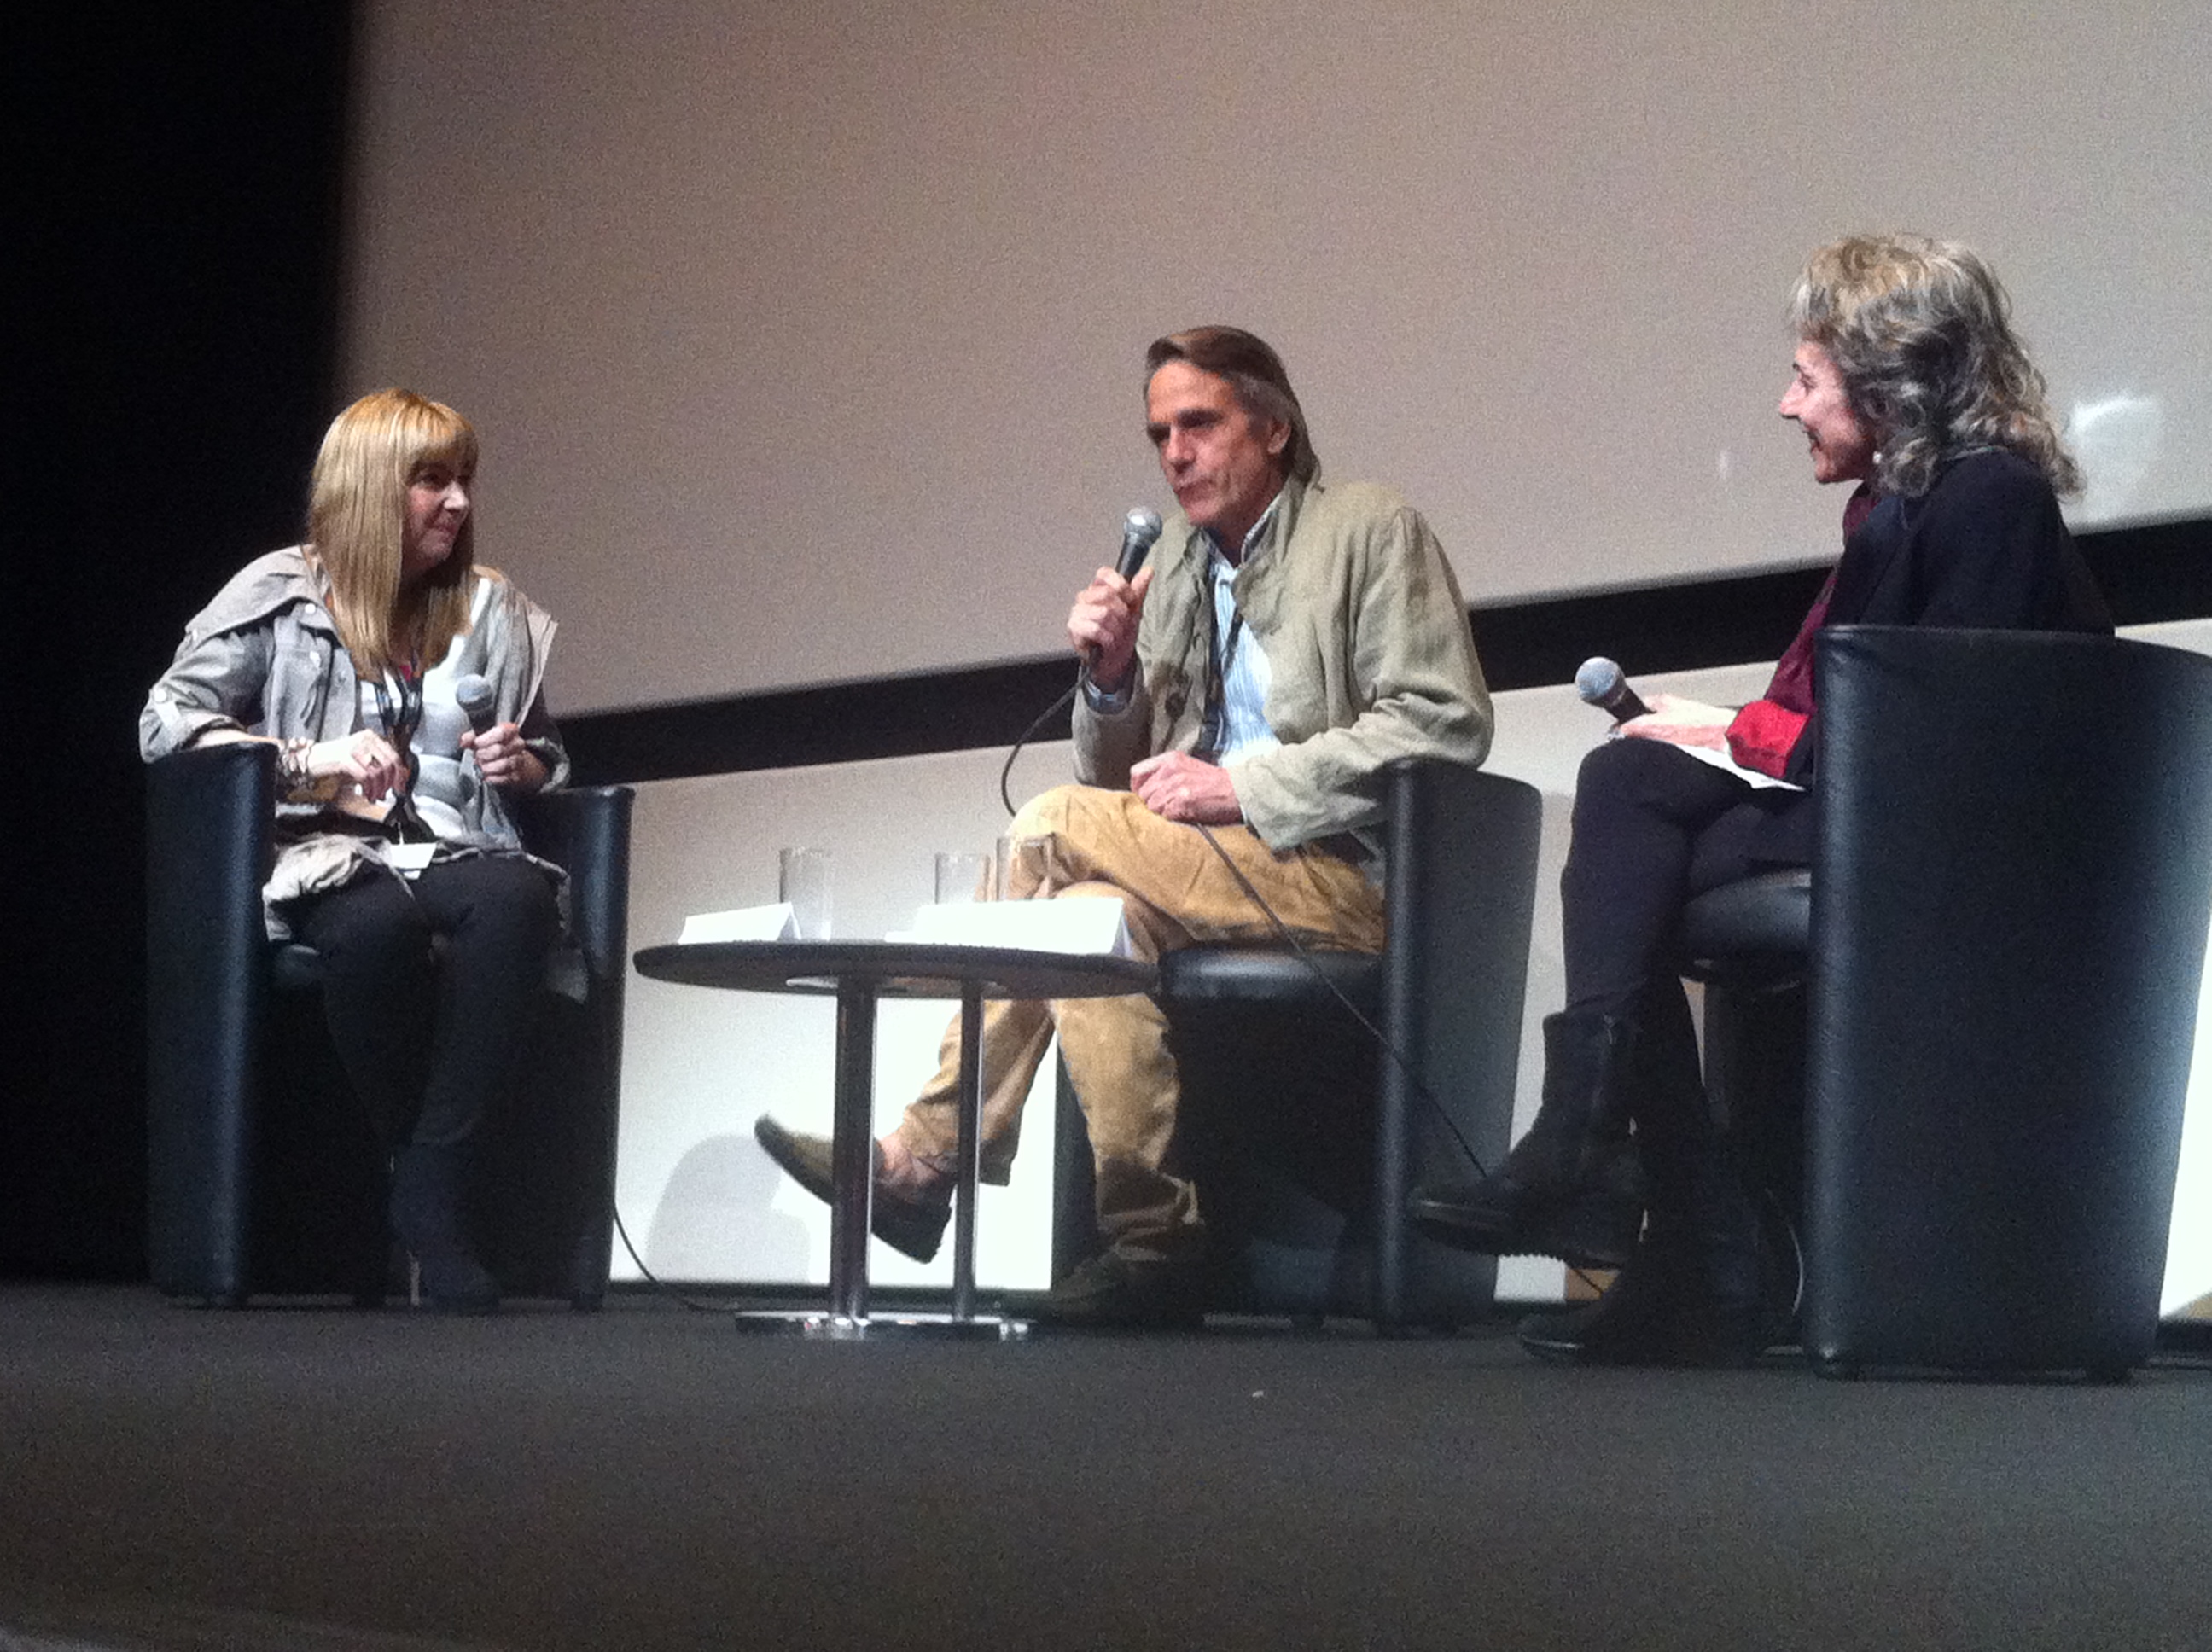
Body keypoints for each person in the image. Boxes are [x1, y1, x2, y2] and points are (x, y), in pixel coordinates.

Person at [1411, 233, 2114, 1366]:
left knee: (1631, 795)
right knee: (1640, 809)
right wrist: (1727, 729)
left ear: (1887, 383)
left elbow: (1927, 738)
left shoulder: (1989, 504)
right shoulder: (1902, 507)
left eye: (1808, 378)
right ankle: (1659, 1208)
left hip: (1959, 836)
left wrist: (1732, 736)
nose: (1787, 406)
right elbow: (1836, 711)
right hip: (1879, 804)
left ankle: (1656, 1201)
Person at [755, 326, 1494, 1326]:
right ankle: (1155, 1240)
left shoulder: (1366, 526)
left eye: (1201, 423)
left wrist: (1247, 788)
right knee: (1085, 914)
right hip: (1199, 870)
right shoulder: (1184, 564)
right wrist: (1108, 683)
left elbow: (1443, 719)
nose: (1176, 452)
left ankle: (925, 1156)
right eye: (1160, 435)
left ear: (1274, 427)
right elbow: (1121, 779)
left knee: (1055, 826)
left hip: (1333, 874)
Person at [141, 388, 568, 1313]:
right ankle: (415, 1179)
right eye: (431, 482)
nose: (457, 502)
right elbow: (164, 722)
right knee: (371, 931)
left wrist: (525, 762)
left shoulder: (488, 606)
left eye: (464, 481)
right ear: (373, 489)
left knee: (518, 901)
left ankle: (427, 1173)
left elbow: (543, 753)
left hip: (457, 843)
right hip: (325, 846)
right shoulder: (283, 593)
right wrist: (306, 758)